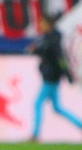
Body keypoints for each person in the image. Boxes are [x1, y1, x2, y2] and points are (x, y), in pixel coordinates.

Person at [30, 13, 82, 141]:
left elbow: (59, 57)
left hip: (51, 77)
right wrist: (36, 50)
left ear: (48, 24)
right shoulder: (49, 38)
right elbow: (48, 53)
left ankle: (36, 134)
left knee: (38, 104)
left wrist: (67, 74)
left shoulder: (52, 39)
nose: (40, 25)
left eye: (42, 23)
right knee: (58, 108)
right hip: (51, 76)